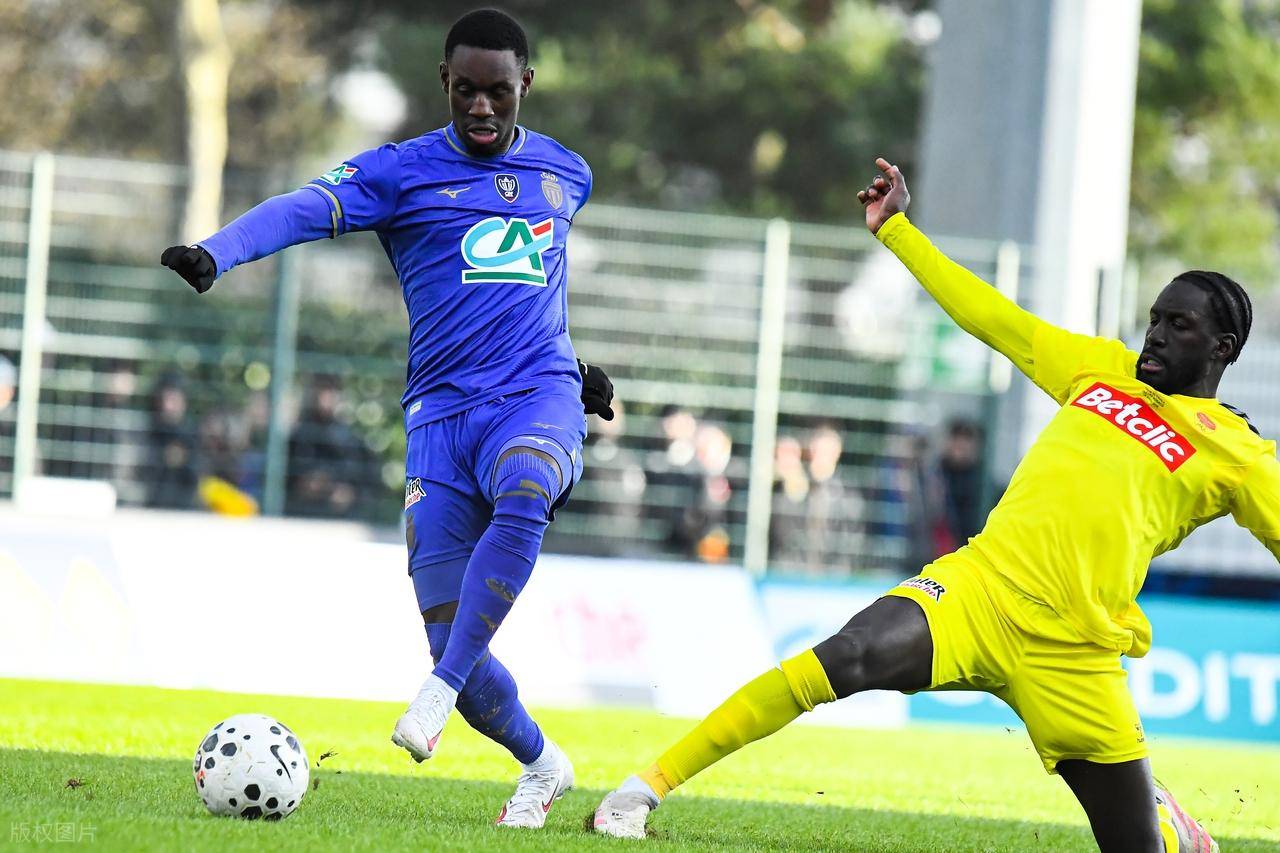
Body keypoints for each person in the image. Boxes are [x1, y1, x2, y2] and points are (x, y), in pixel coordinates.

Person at [594, 158, 1278, 852]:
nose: (1155, 334)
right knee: (847, 655)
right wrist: (897, 229)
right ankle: (642, 789)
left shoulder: (1239, 454)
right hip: (977, 591)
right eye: (1155, 318)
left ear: (1221, 347)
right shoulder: (1100, 369)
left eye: (1179, 325)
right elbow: (991, 315)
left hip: (1077, 649)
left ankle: (1163, 822)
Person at [161, 9, 614, 829]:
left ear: (526, 85)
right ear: (444, 82)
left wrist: (573, 373)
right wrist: (219, 251)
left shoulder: (565, 172)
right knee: (452, 639)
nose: (482, 107)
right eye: (466, 90)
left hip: (535, 398)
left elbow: (538, 288)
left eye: (499, 91)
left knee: (527, 482)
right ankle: (542, 762)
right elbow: (303, 207)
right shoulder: (401, 173)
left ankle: (437, 691)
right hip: (440, 420)